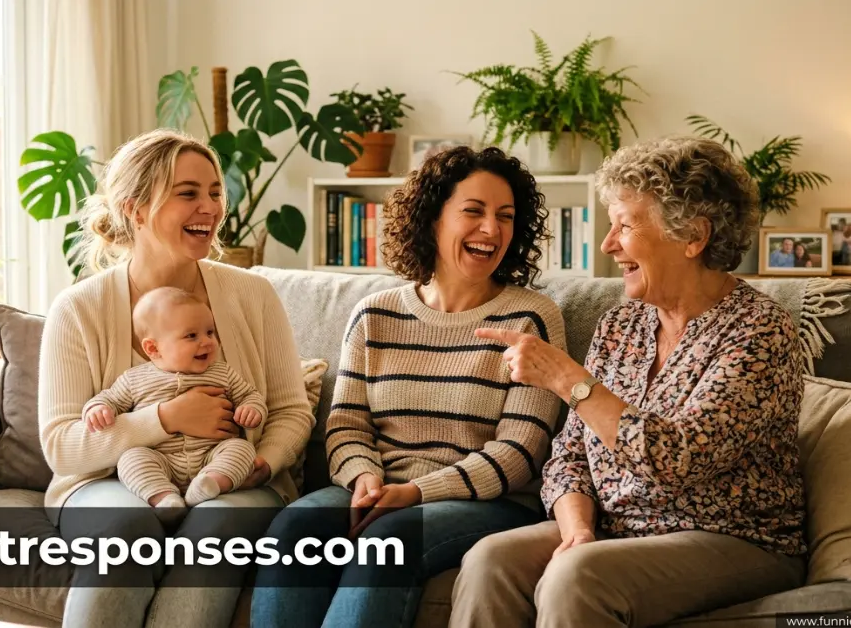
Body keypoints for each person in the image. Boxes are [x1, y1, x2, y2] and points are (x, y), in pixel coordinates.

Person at [450, 136, 807, 627]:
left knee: (578, 576)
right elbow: (570, 456)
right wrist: (577, 529)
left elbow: (679, 458)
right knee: (489, 559)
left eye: (625, 225)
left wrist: (568, 379)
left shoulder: (759, 331)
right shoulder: (621, 325)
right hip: (620, 531)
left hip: (734, 540)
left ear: (693, 237)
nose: (608, 243)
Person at [250, 146, 566, 628]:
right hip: (380, 488)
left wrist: (417, 492)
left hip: (488, 503)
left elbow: (520, 453)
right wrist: (364, 479)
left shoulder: (531, 318)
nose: (492, 229)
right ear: (432, 219)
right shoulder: (375, 314)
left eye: (505, 216)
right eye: (473, 211)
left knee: (387, 541)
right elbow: (346, 424)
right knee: (295, 525)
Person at [38, 128, 315, 628]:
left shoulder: (253, 295)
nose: (209, 207)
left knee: (219, 526)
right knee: (124, 529)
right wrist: (163, 419)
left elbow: (291, 408)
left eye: (214, 192)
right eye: (187, 193)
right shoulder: (78, 308)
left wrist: (263, 462)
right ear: (135, 209)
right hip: (106, 483)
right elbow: (62, 446)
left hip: (232, 478)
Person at [82, 286, 266, 524]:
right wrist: (97, 409)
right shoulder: (134, 379)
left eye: (210, 332)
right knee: (131, 458)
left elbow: (250, 395)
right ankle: (165, 498)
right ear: (153, 348)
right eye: (191, 336)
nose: (207, 342)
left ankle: (212, 484)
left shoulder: (222, 373)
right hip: (160, 459)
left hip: (211, 455)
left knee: (242, 450)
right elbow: (109, 399)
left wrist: (251, 409)